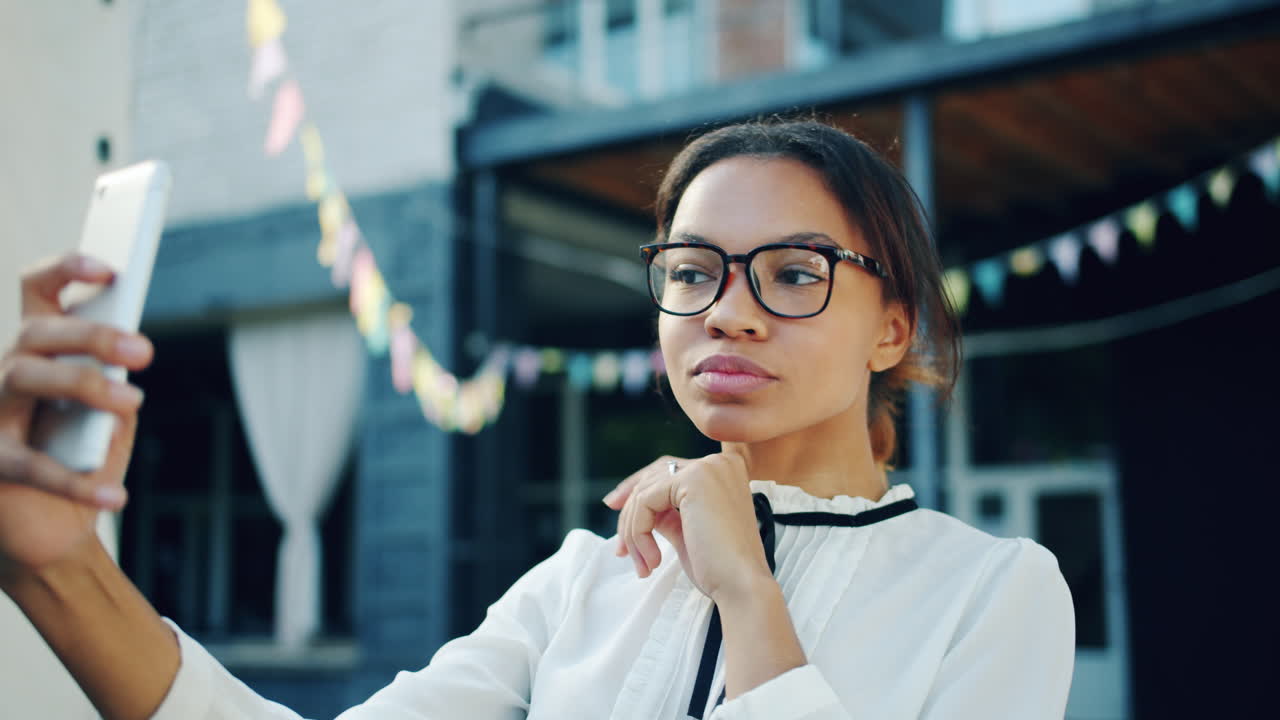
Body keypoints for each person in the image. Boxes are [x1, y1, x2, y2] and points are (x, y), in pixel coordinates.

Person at [0, 120, 1074, 719]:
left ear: (891, 327)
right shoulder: (588, 578)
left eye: (792, 273)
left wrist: (747, 590)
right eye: (691, 272)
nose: (728, 312)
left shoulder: (991, 591)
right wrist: (56, 567)